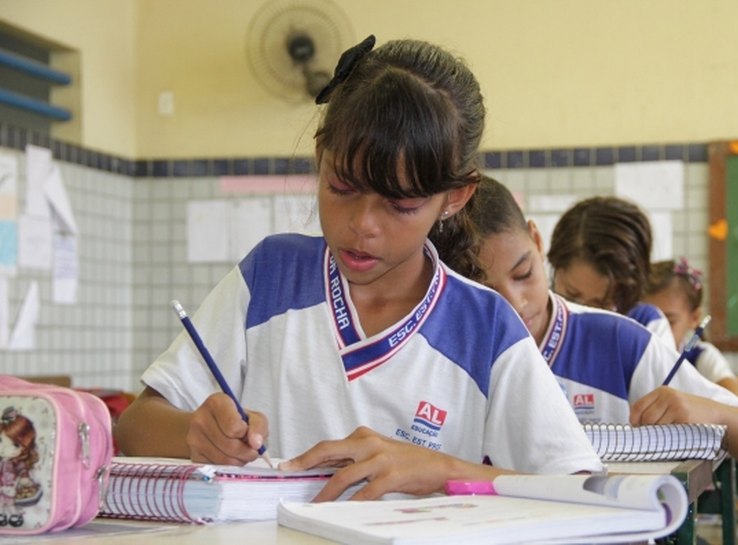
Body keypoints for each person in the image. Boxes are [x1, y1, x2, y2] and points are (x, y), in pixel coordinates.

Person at [115, 36, 604, 502]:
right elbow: (136, 427)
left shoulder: (484, 326)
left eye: (399, 205)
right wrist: (195, 434)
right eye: (342, 188)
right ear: (321, 158)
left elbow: (581, 489)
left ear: (454, 197)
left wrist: (442, 471)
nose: (362, 225)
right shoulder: (270, 277)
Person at [468, 176, 738, 465]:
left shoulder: (620, 340)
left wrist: (709, 411)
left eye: (524, 274)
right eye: (486, 290)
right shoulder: (442, 349)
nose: (515, 304)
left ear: (537, 242)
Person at [546, 195, 678, 351]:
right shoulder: (537, 318)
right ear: (555, 267)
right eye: (571, 296)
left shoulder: (648, 327)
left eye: (602, 305)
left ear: (629, 293)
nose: (582, 314)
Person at [644, 258, 738, 397]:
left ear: (694, 318)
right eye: (646, 320)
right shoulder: (631, 355)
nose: (657, 331)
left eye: (669, 321)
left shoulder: (701, 356)